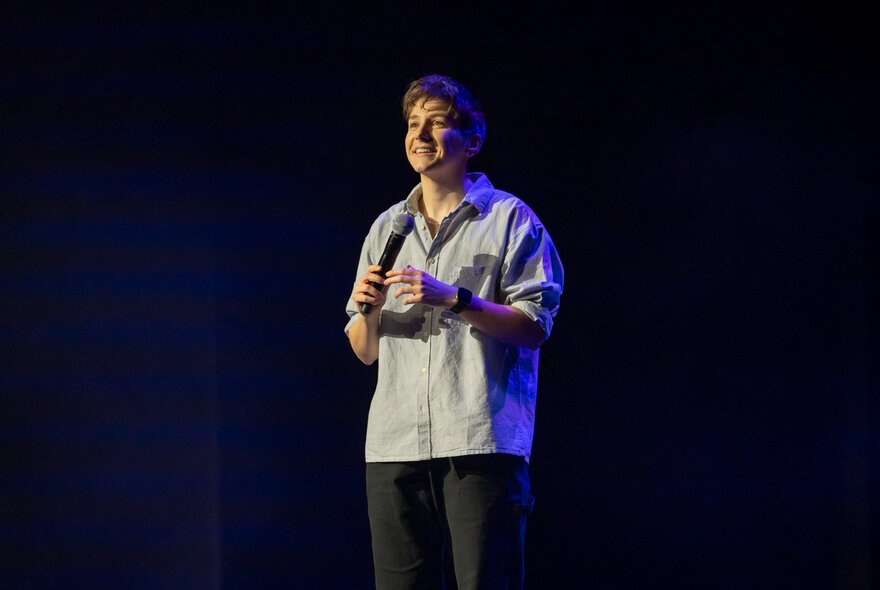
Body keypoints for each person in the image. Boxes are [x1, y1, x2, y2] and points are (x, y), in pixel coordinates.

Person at [345, 73, 564, 590]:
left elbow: (534, 327)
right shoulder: (387, 227)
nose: (420, 134)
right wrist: (369, 312)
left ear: (473, 139)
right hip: (395, 445)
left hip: (478, 441)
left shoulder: (510, 219)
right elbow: (365, 350)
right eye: (412, 124)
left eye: (437, 122)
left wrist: (456, 299)